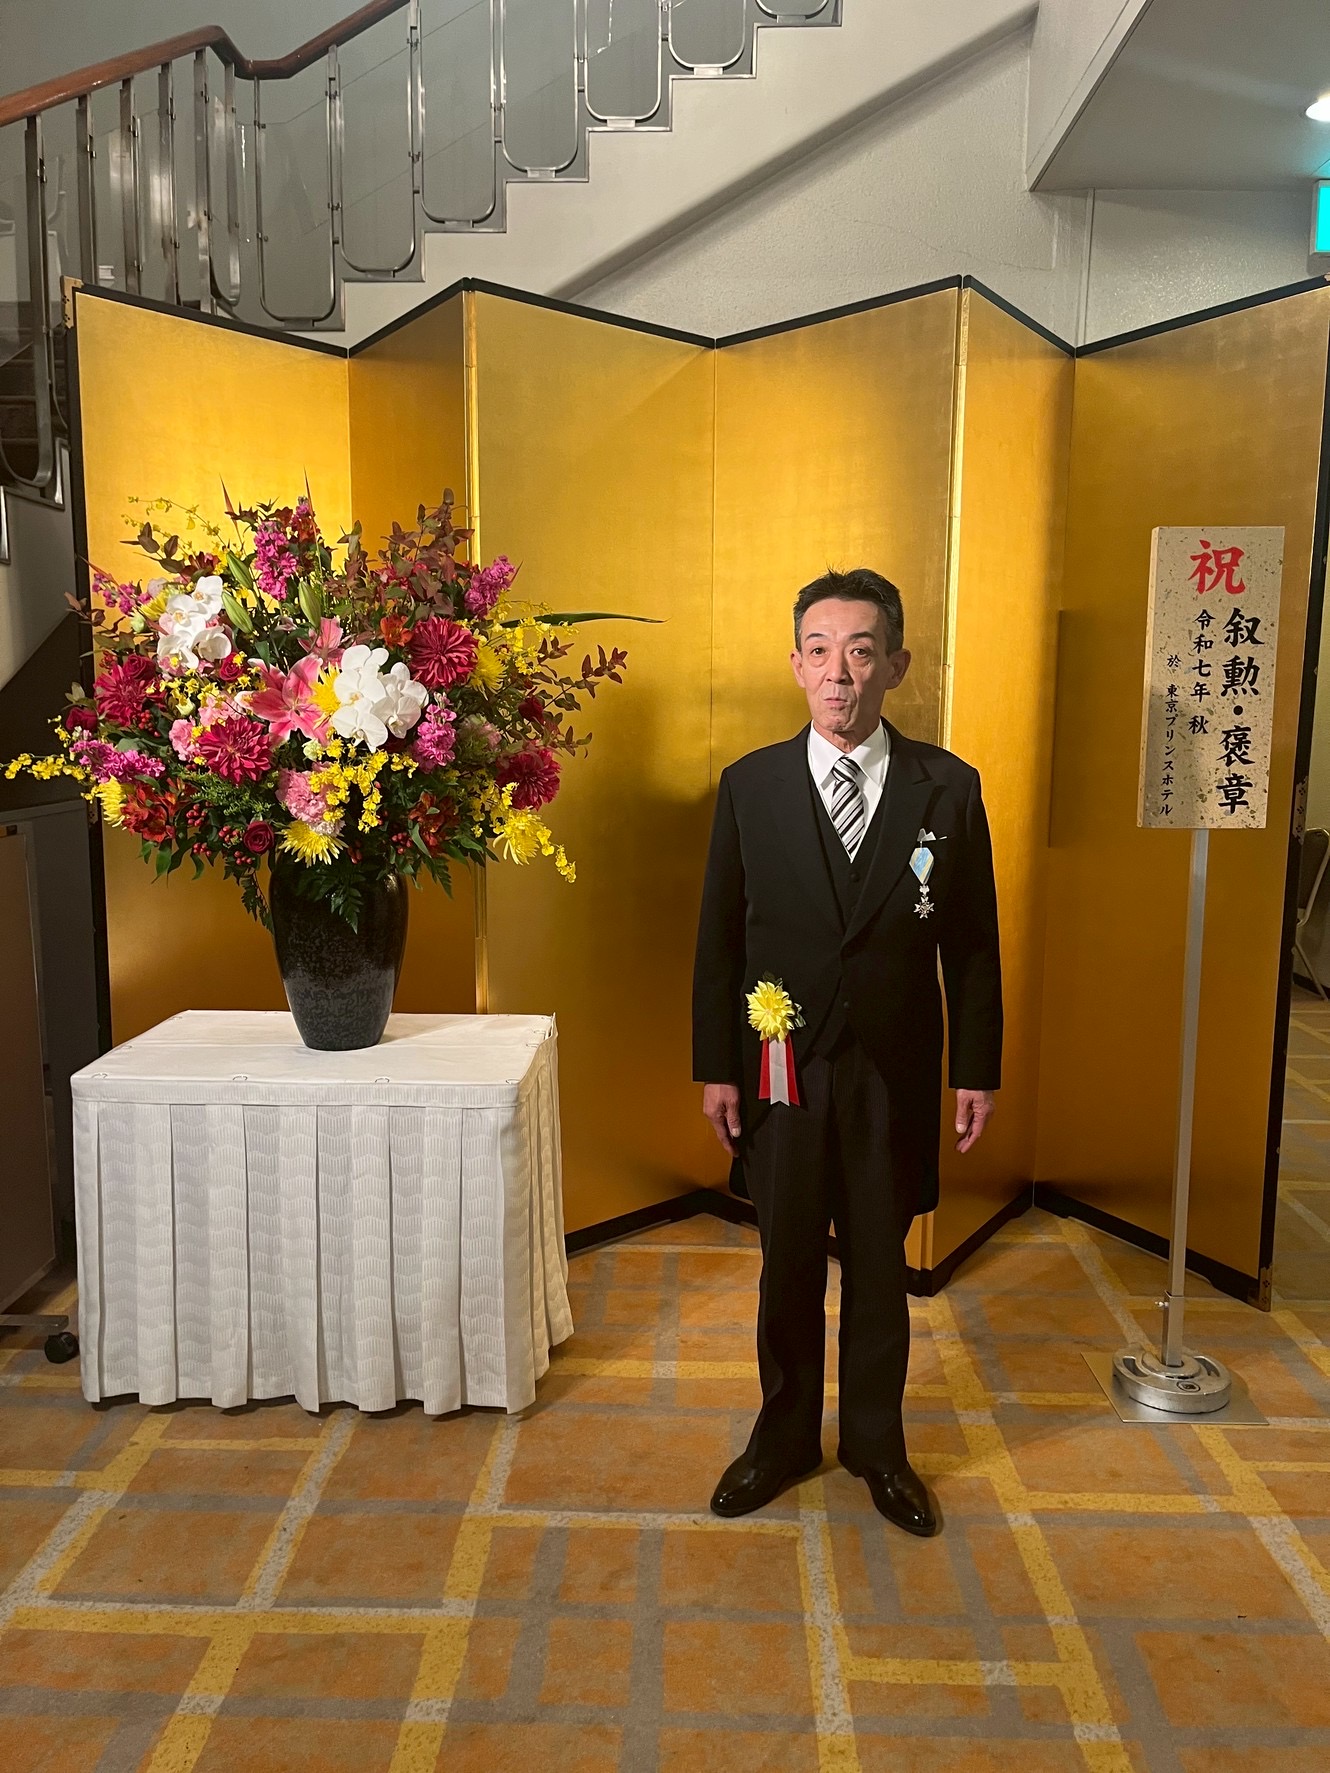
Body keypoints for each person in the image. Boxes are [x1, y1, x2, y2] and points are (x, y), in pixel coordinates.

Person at [692, 567, 1001, 1536]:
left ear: (895, 666)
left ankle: (877, 1444)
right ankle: (782, 1437)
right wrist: (715, 1065)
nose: (840, 673)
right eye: (821, 651)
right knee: (786, 1260)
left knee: (879, 1266)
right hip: (781, 1067)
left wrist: (975, 1069)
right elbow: (718, 941)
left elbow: (974, 944)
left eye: (862, 652)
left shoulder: (947, 788)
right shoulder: (749, 787)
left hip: (892, 1073)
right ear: (796, 665)